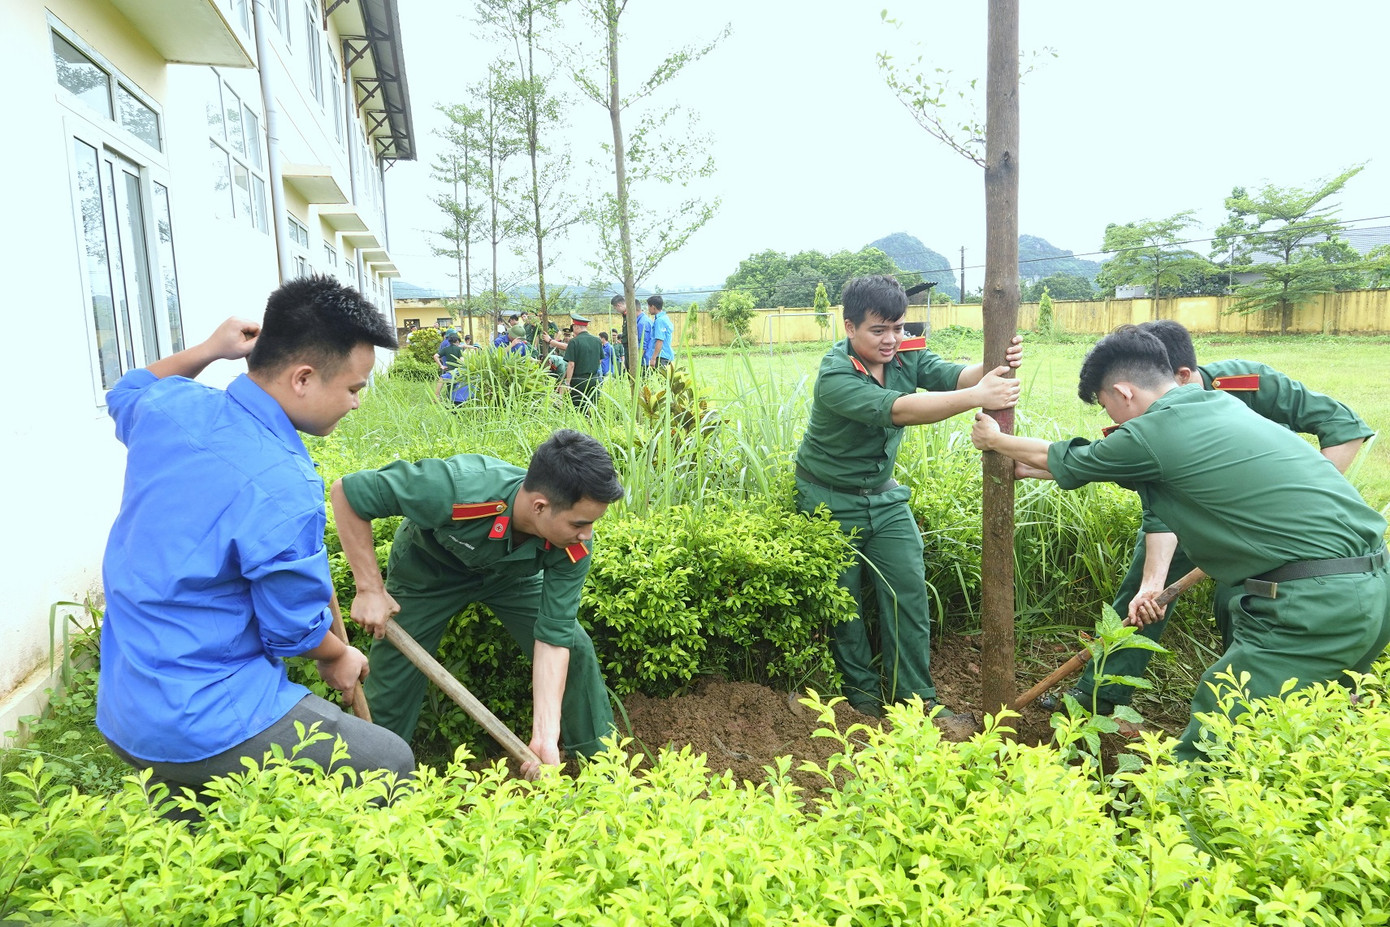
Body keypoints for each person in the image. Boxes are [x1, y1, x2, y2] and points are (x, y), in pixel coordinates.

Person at [971, 325, 1389, 761]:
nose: (1111, 417)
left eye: (1105, 404)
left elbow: (1081, 457)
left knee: (1221, 726)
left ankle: (1180, 823)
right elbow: (1118, 469)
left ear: (1123, 391)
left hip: (1315, 605)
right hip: (1371, 589)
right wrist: (1035, 467)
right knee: (1307, 730)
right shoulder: (1216, 404)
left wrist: (996, 440)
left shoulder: (1154, 431)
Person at [96, 276, 415, 810]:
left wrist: (209, 350)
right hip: (202, 720)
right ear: (303, 378)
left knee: (203, 836)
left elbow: (126, 391)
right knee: (389, 761)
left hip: (125, 707)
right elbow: (293, 629)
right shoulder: (284, 484)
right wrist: (339, 655)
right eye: (354, 389)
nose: (357, 404)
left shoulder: (172, 409)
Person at [1049, 319, 1376, 716]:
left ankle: (1252, 684)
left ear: (1183, 375)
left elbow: (1343, 427)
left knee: (1245, 594)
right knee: (1143, 588)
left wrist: (1274, 515)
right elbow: (1160, 501)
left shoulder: (1245, 383)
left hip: (1275, 529)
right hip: (1193, 508)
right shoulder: (1150, 422)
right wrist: (1153, 583)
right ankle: (1100, 695)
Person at [329, 430, 626, 778]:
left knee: (574, 646)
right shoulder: (457, 489)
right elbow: (348, 494)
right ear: (540, 506)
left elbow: (553, 636)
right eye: (580, 523)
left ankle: (605, 772)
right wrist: (369, 589)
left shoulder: (573, 546)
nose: (587, 534)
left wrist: (545, 736)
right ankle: (372, 780)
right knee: (393, 680)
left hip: (509, 578)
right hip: (428, 574)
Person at [793, 274, 1023, 718]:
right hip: (827, 499)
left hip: (884, 498)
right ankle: (861, 703)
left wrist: (996, 363)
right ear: (849, 328)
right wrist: (978, 395)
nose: (891, 339)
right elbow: (898, 410)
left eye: (898, 327)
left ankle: (915, 705)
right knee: (845, 606)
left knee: (909, 597)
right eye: (878, 330)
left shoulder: (904, 354)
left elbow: (955, 376)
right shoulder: (836, 374)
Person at [545, 314, 603, 408]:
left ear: (576, 327)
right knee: (591, 407)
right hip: (593, 380)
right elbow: (599, 360)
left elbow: (571, 364)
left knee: (577, 409)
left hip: (578, 381)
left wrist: (567, 383)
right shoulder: (597, 340)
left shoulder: (574, 341)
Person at [646, 295, 675, 369]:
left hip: (661, 357)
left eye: (649, 306)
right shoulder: (664, 318)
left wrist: (653, 358)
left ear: (653, 307)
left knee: (660, 379)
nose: (648, 309)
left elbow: (659, 340)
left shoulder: (660, 321)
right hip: (665, 355)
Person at [435, 331, 464, 400]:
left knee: (445, 382)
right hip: (458, 371)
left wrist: (441, 366)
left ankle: (437, 396)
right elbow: (462, 360)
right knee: (456, 386)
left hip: (448, 370)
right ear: (457, 341)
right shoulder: (459, 349)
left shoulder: (445, 349)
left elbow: (435, 356)